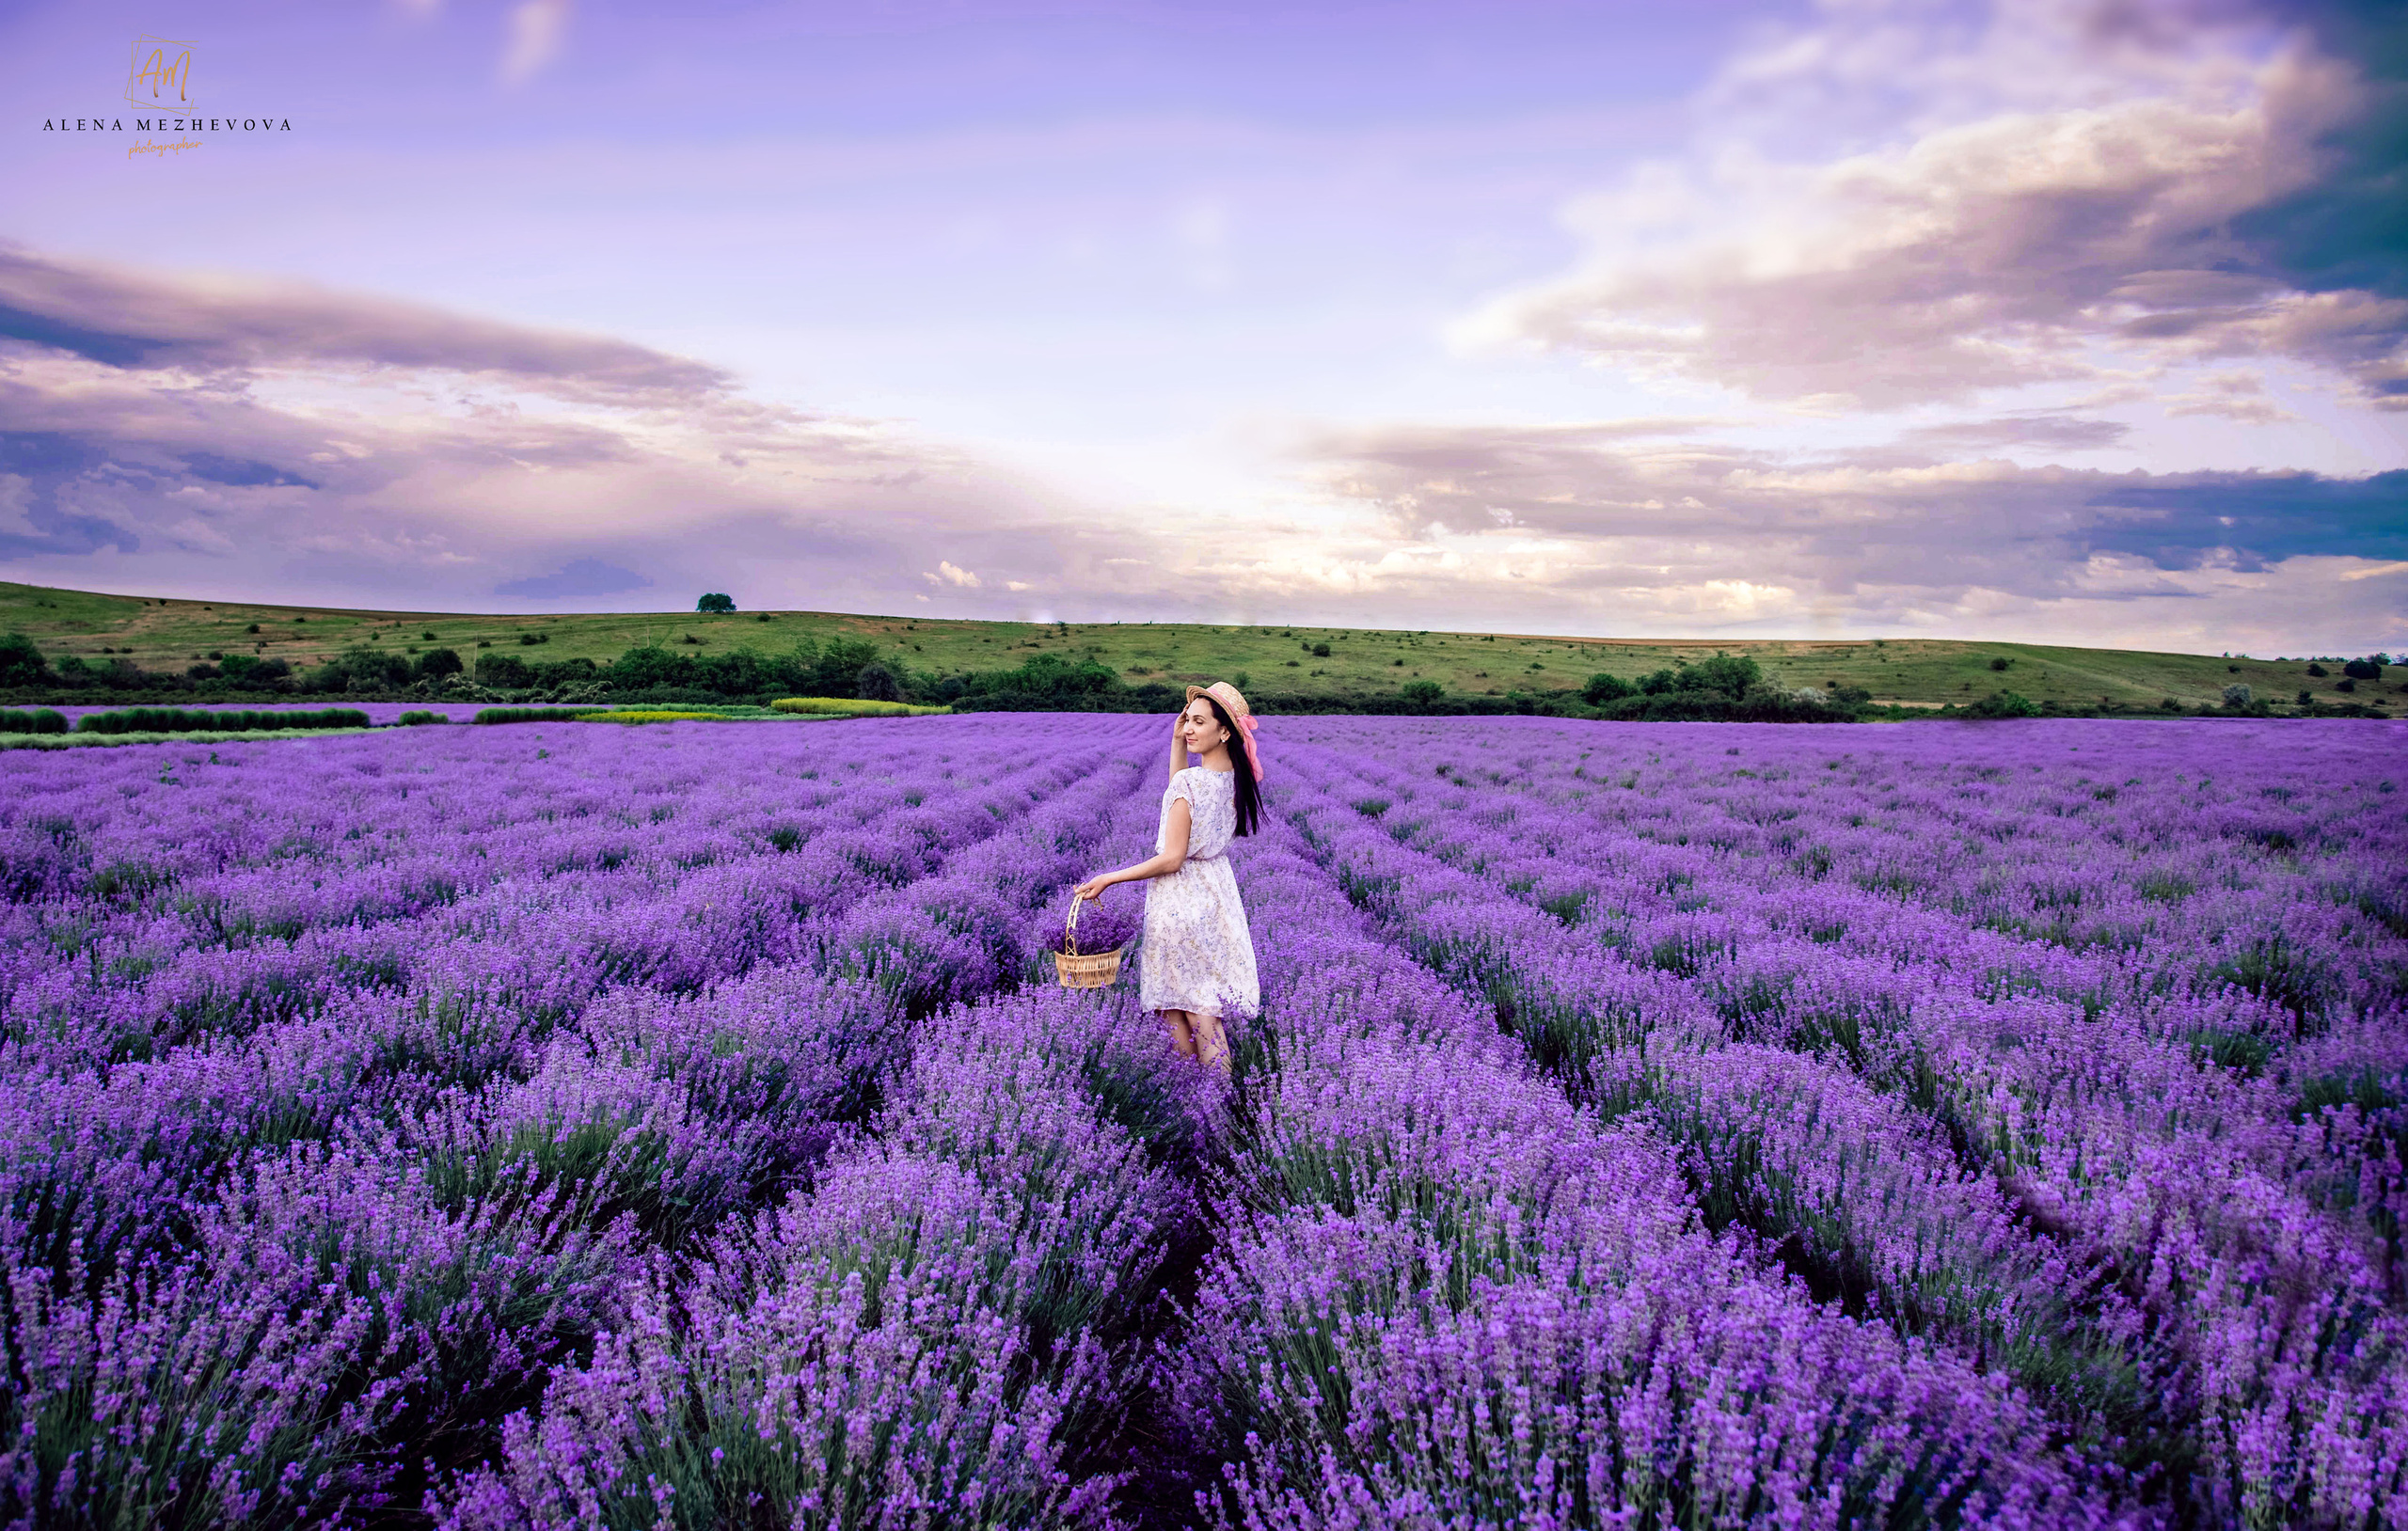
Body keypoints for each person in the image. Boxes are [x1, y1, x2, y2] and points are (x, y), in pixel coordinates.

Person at [1071, 680, 1262, 1076]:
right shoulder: (1234, 782)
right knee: (1200, 1006)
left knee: (1181, 1010)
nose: (1189, 728)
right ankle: (1216, 1110)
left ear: (1224, 730)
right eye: (1186, 721)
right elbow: (1180, 789)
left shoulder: (1191, 785)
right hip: (1216, 897)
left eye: (1198, 722)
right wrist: (1179, 741)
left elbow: (1172, 858)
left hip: (1179, 903)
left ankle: (1198, 1104)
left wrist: (1110, 877)